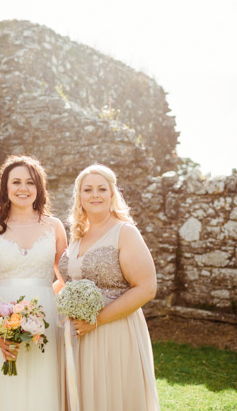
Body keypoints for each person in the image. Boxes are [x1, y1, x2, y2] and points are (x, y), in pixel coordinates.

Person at [59, 164, 160, 410]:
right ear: (79, 197)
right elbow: (65, 283)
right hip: (76, 335)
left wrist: (98, 320)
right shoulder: (78, 235)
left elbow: (146, 287)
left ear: (112, 194)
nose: (95, 195)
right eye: (88, 190)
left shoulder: (125, 232)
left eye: (102, 189)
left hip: (114, 331)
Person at [0, 156, 67, 411]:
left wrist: (45, 298)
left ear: (39, 188)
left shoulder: (54, 227)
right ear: (5, 188)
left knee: (43, 386)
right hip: (1, 316)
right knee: (5, 389)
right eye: (16, 182)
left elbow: (66, 278)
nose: (23, 188)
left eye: (30, 182)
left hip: (46, 317)